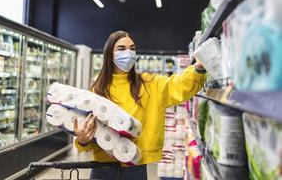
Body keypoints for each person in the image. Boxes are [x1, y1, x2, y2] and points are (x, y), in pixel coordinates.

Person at [74, 31, 206, 180]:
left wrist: (198, 69)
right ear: (110, 55)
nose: (128, 53)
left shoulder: (149, 84)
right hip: (102, 168)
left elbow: (179, 85)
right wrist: (82, 140)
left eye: (132, 48)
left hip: (134, 168)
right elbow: (87, 134)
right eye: (122, 49)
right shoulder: (97, 90)